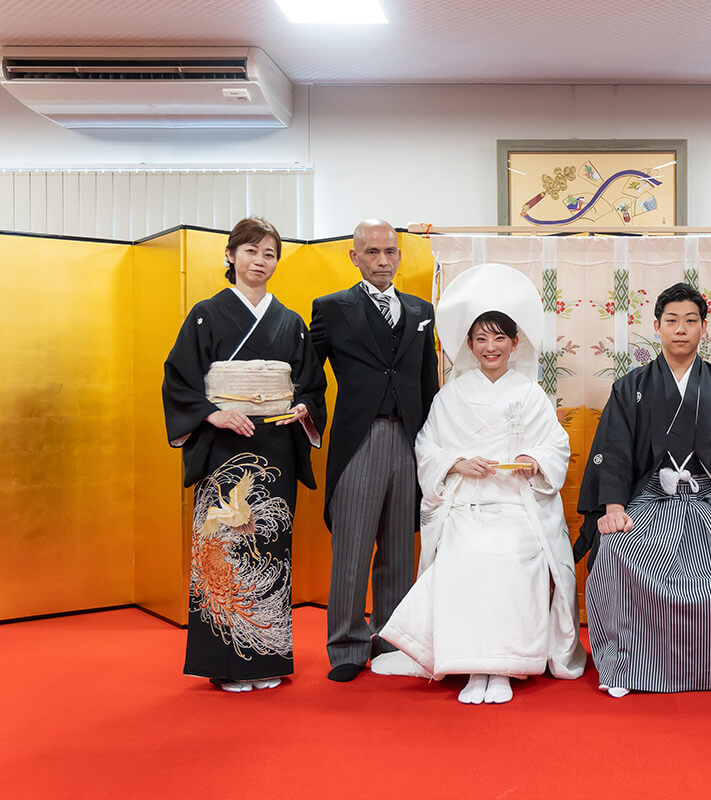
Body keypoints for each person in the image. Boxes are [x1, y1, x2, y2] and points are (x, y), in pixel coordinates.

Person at [371, 263, 585, 704]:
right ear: (469, 344)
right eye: (481, 339)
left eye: (499, 338)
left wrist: (534, 460)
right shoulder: (451, 394)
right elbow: (427, 446)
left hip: (518, 507)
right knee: (464, 554)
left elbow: (556, 445)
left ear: (515, 343)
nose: (491, 347)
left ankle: (503, 667)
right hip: (466, 505)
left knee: (510, 556)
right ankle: (472, 665)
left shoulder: (530, 393)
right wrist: (456, 463)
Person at [576, 282, 711, 698]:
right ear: (657, 326)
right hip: (651, 501)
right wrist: (614, 506)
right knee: (614, 550)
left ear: (704, 328)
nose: (681, 329)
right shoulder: (631, 386)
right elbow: (615, 450)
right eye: (672, 320)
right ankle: (627, 665)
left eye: (691, 321)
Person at [162, 216, 326, 693]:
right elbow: (179, 380)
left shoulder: (291, 322)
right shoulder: (205, 314)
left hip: (275, 445)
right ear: (231, 256)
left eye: (269, 254)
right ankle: (225, 664)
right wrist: (212, 414)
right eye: (251, 251)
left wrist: (303, 408)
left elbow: (311, 384)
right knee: (222, 546)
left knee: (268, 547)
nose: (260, 261)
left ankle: (265, 658)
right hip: (224, 447)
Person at [310, 219, 439, 682]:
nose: (383, 261)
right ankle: (347, 646)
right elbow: (309, 376)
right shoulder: (331, 309)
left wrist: (432, 442)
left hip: (409, 438)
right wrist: (304, 413)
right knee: (353, 546)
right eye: (372, 252)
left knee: (399, 548)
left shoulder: (420, 310)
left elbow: (427, 381)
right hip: (358, 439)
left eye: (390, 252)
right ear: (355, 256)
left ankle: (392, 640)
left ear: (400, 255)